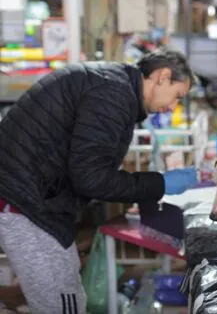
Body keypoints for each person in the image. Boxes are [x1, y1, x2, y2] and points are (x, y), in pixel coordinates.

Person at [0, 50, 199, 313]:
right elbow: (91, 178)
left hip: (32, 197)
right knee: (62, 305)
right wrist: (159, 184)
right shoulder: (113, 96)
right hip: (24, 204)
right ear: (162, 76)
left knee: (70, 296)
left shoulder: (114, 86)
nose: (173, 106)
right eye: (177, 96)